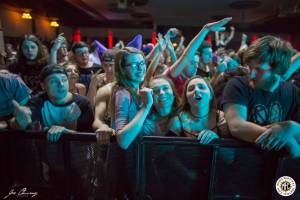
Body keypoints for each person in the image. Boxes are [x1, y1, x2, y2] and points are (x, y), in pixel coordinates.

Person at [222, 35, 300, 158]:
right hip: (241, 165)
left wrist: (293, 128)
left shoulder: (293, 93)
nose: (251, 74)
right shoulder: (238, 84)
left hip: (278, 170)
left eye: (258, 69)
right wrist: (287, 141)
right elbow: (237, 126)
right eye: (250, 67)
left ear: (277, 69)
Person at [10, 64, 94, 140]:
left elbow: (89, 136)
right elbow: (20, 122)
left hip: (78, 153)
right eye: (54, 81)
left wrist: (67, 134)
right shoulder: (38, 101)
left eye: (64, 80)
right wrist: (18, 122)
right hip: (48, 153)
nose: (61, 84)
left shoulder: (83, 103)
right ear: (43, 85)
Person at [163, 17, 232, 96]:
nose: (196, 66)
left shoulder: (193, 81)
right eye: (192, 63)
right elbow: (186, 56)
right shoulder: (175, 78)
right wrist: (205, 29)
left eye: (196, 63)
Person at [111, 47, 153, 150]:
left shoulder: (138, 91)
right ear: (123, 70)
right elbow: (123, 141)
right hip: (124, 160)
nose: (140, 68)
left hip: (137, 155)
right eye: (134, 65)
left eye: (142, 63)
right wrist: (146, 107)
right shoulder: (122, 93)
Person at [169, 76, 229, 144]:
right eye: (191, 89)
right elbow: (170, 150)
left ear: (211, 95)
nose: (196, 90)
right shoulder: (177, 121)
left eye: (201, 87)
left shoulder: (221, 117)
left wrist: (217, 140)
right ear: (186, 99)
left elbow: (231, 151)